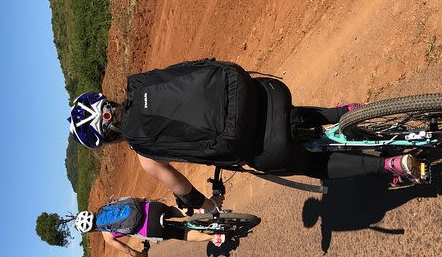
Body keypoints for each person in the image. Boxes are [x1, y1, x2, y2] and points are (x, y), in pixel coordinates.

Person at [68, 59, 422, 213]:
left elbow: (182, 189)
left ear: (108, 141)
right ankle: (342, 114)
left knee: (312, 165)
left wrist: (208, 206)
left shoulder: (144, 153)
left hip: (262, 147)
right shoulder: (144, 82)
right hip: (264, 92)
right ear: (108, 102)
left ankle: (389, 165)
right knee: (284, 110)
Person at [73, 200, 225, 257]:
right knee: (172, 210)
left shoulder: (107, 236)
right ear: (91, 212)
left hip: (152, 229)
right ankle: (203, 210)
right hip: (152, 208)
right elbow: (132, 199)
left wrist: (142, 255)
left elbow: (128, 251)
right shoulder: (108, 206)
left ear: (91, 231)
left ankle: (214, 238)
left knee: (182, 234)